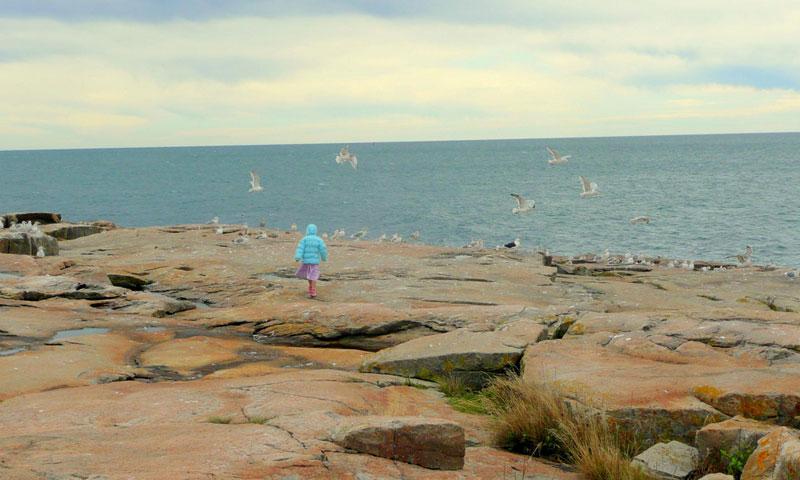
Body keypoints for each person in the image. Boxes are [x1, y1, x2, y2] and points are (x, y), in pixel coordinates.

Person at [294, 224, 328, 298]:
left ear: (307, 230)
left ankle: (311, 287)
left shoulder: (304, 239)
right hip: (314, 262)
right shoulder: (319, 240)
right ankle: (313, 289)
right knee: (314, 275)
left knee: (309, 275)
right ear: (315, 231)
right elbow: (323, 249)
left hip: (306, 261)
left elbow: (300, 249)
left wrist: (297, 257)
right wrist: (324, 258)